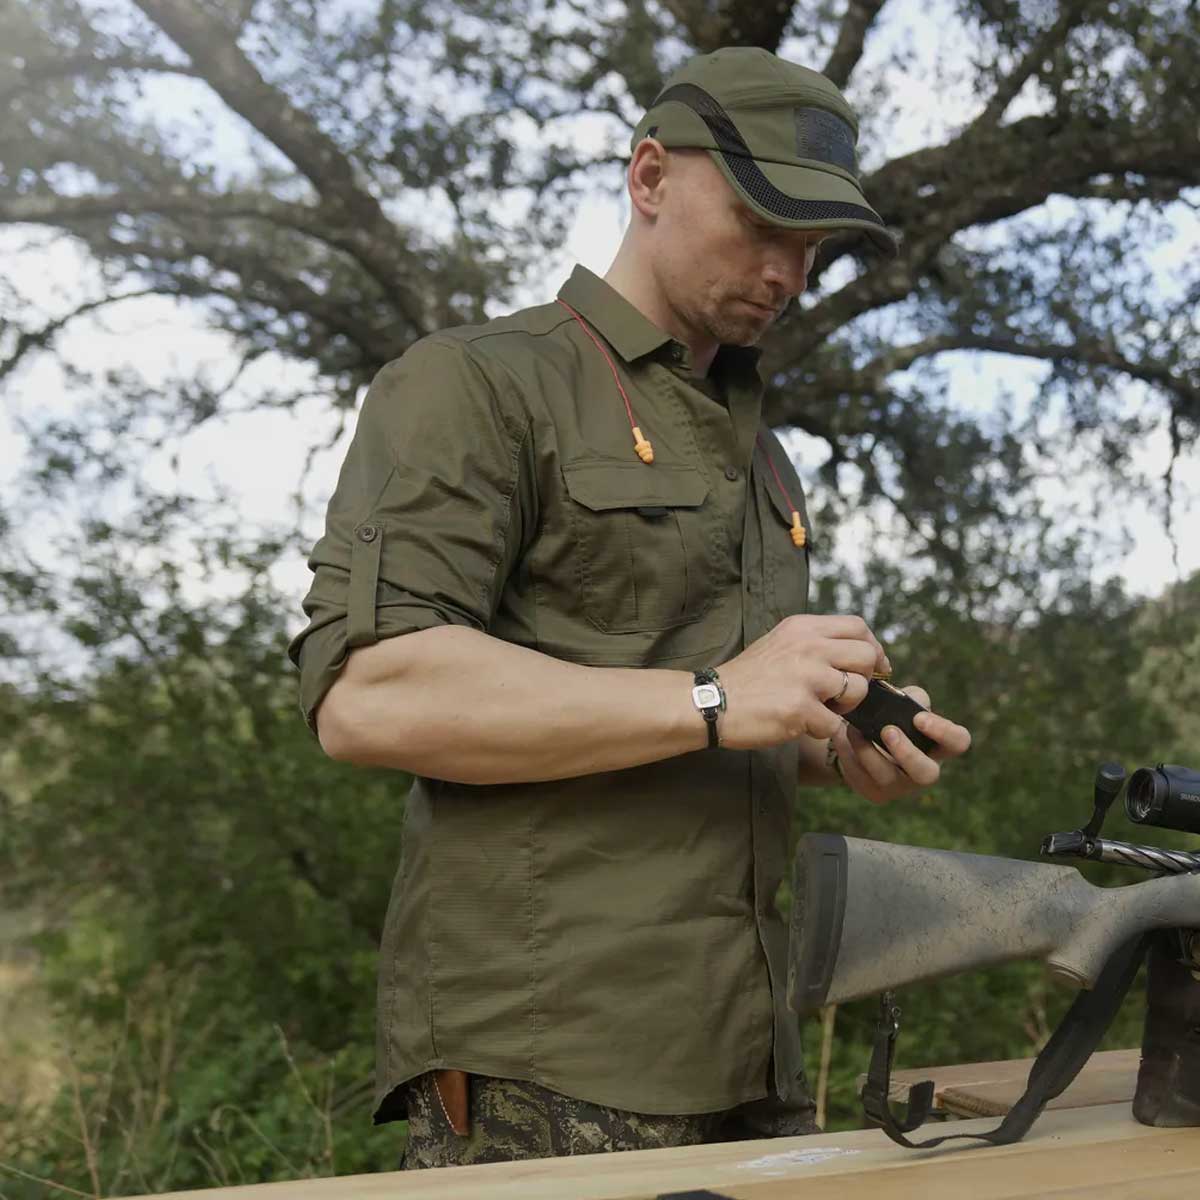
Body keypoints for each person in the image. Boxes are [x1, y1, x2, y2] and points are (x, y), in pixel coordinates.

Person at [287, 45, 971, 1169]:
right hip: (550, 1059)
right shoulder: (478, 383)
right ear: (650, 177)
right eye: (761, 221)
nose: (789, 270)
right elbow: (370, 698)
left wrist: (822, 735)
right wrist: (718, 697)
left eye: (812, 242)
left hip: (749, 1052)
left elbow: (692, 707)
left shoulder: (765, 460)